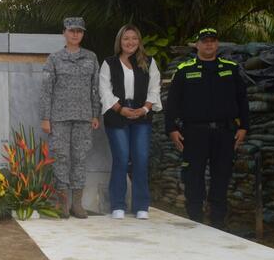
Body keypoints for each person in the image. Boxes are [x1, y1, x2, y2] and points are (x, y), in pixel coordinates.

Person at [164, 27, 249, 229]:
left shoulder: (231, 68)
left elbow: (242, 100)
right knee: (194, 176)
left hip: (224, 132)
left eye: (212, 40)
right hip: (194, 132)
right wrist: (172, 129)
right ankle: (195, 218)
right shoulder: (185, 70)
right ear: (197, 45)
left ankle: (218, 221)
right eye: (204, 41)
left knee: (221, 175)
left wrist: (244, 126)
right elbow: (172, 102)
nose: (209, 44)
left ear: (217, 44)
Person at [40, 17, 101, 218]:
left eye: (79, 31)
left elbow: (95, 89)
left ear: (83, 34)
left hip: (84, 117)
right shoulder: (54, 58)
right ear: (64, 32)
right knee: (61, 158)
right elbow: (46, 91)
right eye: (71, 30)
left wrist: (95, 113)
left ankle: (77, 204)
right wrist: (45, 118)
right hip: (59, 117)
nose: (75, 34)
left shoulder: (91, 58)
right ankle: (62, 203)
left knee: (80, 158)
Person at [99, 24, 162, 220]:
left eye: (134, 38)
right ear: (120, 41)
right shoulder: (109, 63)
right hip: (117, 114)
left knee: (141, 159)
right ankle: (118, 204)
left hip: (141, 114)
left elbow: (154, 89)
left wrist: (144, 109)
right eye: (126, 38)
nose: (130, 42)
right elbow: (104, 90)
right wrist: (120, 109)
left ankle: (141, 205)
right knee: (121, 158)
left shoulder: (148, 62)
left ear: (139, 41)